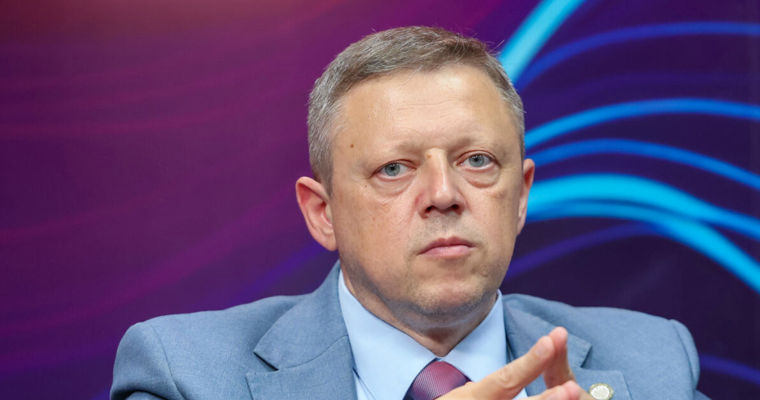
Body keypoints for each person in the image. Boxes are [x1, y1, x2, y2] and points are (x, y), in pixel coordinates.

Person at [111, 26, 708, 400]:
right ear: (323, 213)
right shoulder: (184, 375)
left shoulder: (654, 364)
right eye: (394, 169)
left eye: (477, 161)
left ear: (521, 195)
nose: (444, 193)